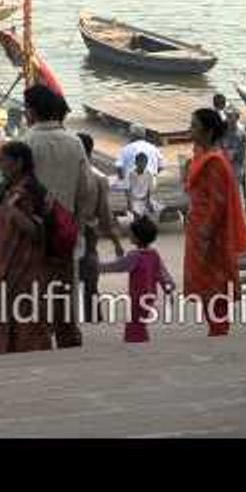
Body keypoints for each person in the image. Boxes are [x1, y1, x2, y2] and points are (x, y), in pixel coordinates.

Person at [23, 84, 95, 349]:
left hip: (32, 232)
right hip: (65, 231)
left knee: (35, 293)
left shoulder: (26, 142)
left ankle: (39, 341)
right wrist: (78, 222)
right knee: (64, 292)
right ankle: (68, 339)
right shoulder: (74, 142)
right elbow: (87, 190)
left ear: (31, 111)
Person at [183, 108, 246, 337]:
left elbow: (218, 201)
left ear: (208, 131)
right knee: (205, 282)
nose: (189, 129)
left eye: (194, 125)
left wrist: (205, 233)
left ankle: (219, 329)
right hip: (198, 228)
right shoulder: (202, 156)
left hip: (211, 233)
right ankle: (215, 328)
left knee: (215, 282)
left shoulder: (214, 161)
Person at [0, 141, 52, 354]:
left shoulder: (28, 192)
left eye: (3, 160)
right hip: (8, 267)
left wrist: (12, 210)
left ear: (18, 163)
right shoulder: (9, 189)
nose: (0, 164)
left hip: (24, 268)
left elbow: (36, 230)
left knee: (25, 318)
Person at [99, 215, 175, 343]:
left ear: (137, 237)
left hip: (138, 296)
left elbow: (116, 266)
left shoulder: (134, 256)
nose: (129, 234)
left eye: (131, 233)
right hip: (150, 295)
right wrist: (169, 291)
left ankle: (136, 342)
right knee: (140, 322)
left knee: (134, 323)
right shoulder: (154, 254)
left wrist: (97, 267)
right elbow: (163, 275)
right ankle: (141, 340)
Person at [77, 132, 125, 323]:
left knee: (62, 280)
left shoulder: (65, 175)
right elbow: (105, 214)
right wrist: (116, 241)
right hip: (88, 234)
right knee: (90, 282)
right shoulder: (99, 177)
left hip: (65, 231)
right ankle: (93, 318)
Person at [221, 108, 246, 206]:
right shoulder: (223, 132)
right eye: (227, 116)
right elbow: (218, 147)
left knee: (236, 197)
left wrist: (234, 153)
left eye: (230, 116)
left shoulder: (241, 134)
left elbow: (243, 153)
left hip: (236, 169)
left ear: (237, 118)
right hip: (224, 168)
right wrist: (224, 153)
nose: (228, 119)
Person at [126, 152, 159, 219]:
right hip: (134, 200)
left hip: (145, 200)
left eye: (144, 163)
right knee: (137, 215)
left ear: (146, 163)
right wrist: (129, 202)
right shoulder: (131, 174)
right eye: (140, 162)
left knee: (153, 211)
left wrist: (149, 201)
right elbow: (128, 190)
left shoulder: (149, 174)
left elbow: (150, 190)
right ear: (136, 163)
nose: (142, 165)